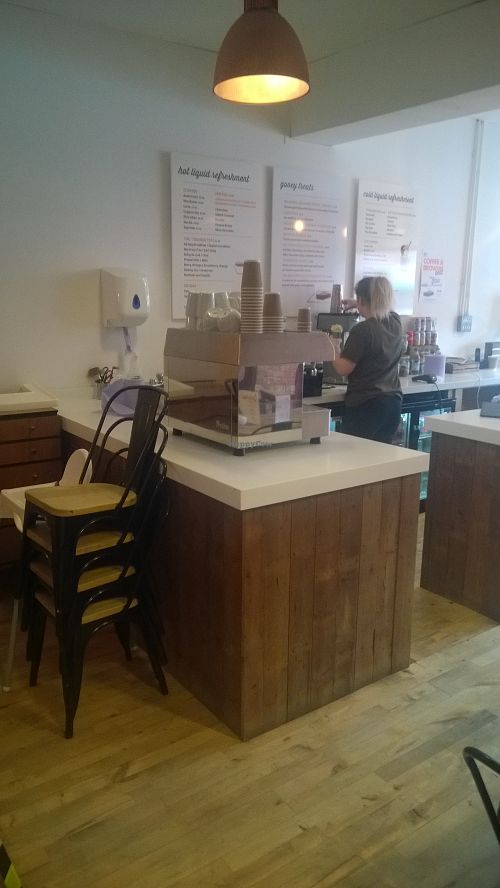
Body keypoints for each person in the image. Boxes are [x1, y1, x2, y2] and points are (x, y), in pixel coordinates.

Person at [331, 276, 404, 444]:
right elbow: (383, 308)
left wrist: (332, 347)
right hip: (392, 404)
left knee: (357, 460)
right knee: (379, 459)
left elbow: (343, 368)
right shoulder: (395, 321)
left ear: (362, 299)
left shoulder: (362, 330)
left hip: (367, 405)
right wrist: (358, 303)